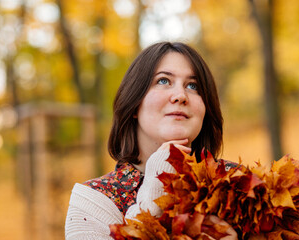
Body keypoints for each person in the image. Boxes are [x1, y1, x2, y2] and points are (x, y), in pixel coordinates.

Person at [65, 42, 237, 239]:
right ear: (134, 102)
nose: (181, 95)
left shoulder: (238, 184)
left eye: (193, 86)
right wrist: (154, 196)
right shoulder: (94, 202)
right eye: (163, 81)